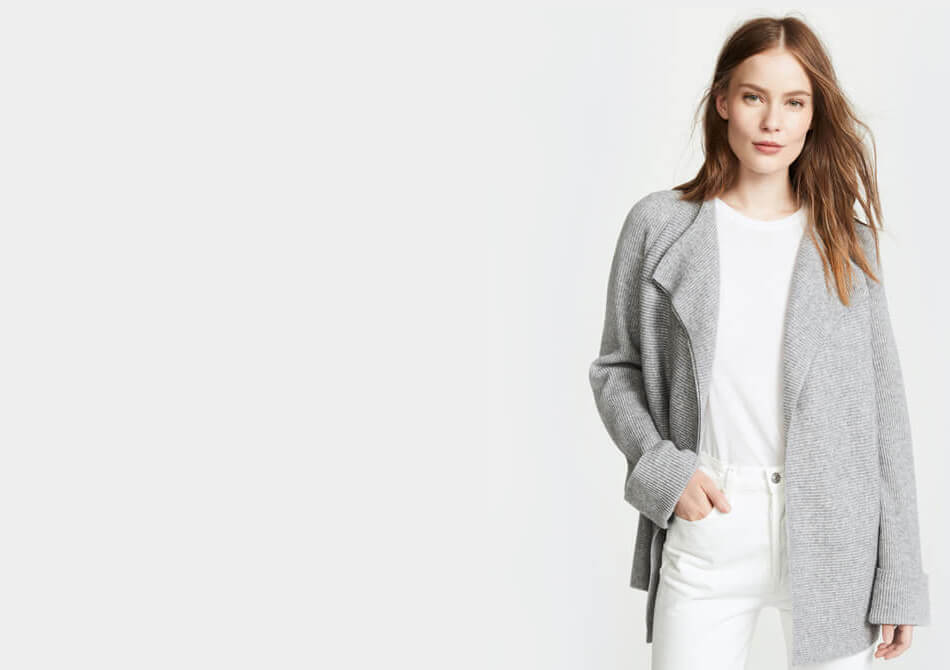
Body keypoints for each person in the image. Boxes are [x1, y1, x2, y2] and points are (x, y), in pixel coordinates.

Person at [588, 15, 930, 670]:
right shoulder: (660, 225)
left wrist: (899, 576)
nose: (773, 122)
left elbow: (885, 417)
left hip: (836, 533)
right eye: (754, 97)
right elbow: (615, 368)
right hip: (712, 520)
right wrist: (664, 470)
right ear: (723, 101)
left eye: (794, 102)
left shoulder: (847, 243)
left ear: (813, 115)